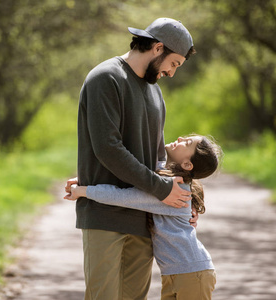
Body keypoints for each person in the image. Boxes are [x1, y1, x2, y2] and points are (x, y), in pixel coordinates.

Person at [65, 17, 196, 300]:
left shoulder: (155, 92)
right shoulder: (106, 78)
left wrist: (186, 201)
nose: (172, 73)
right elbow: (108, 148)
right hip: (104, 215)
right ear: (158, 48)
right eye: (173, 63)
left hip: (144, 218)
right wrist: (162, 190)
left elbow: (158, 158)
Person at [65, 134, 223, 300]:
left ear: (186, 164)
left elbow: (124, 196)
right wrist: (86, 180)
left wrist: (84, 191)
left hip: (192, 273)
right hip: (176, 273)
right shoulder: (163, 177)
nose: (181, 138)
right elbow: (132, 175)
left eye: (188, 143)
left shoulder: (173, 191)